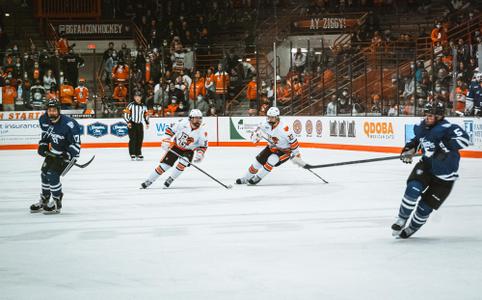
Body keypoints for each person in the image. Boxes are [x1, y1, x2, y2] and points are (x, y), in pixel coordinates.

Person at [391, 101, 470, 239]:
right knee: (412, 188)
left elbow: (464, 140)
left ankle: (412, 228)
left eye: (431, 115)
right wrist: (409, 149)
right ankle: (402, 219)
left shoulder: (448, 128)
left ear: (439, 116)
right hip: (426, 166)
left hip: (445, 176)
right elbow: (417, 141)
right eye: (426, 114)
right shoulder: (421, 127)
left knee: (424, 208)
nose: (427, 117)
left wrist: (444, 148)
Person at [30, 99, 81, 214]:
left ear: (59, 111)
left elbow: (76, 144)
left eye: (54, 110)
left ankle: (57, 202)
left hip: (69, 156)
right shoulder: (44, 119)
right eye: (49, 110)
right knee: (44, 174)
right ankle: (45, 199)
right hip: (53, 152)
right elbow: (46, 135)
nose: (51, 112)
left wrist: (67, 154)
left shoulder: (70, 124)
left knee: (52, 175)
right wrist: (42, 144)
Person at [235, 107, 306, 185]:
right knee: (257, 163)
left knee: (272, 160)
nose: (269, 119)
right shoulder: (264, 124)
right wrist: (256, 137)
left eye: (272, 117)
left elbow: (294, 142)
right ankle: (246, 178)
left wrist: (297, 155)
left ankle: (257, 178)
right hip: (271, 147)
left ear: (277, 117)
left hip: (285, 151)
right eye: (268, 117)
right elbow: (254, 140)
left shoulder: (284, 129)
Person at [141, 109, 208, 189]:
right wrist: (166, 140)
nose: (198, 121)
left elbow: (203, 146)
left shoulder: (202, 131)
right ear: (190, 118)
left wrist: (200, 154)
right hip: (176, 147)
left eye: (200, 118)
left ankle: (171, 179)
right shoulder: (182, 123)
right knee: (164, 166)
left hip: (189, 150)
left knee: (183, 163)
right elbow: (170, 131)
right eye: (196, 118)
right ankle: (149, 180)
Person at [123, 90, 149, 160]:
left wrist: (147, 122)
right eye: (136, 97)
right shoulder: (130, 105)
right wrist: (128, 122)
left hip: (139, 124)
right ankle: (132, 154)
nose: (137, 98)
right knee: (133, 139)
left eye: (139, 97)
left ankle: (138, 153)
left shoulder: (144, 106)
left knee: (140, 139)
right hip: (132, 123)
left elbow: (146, 115)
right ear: (134, 97)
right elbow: (126, 114)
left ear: (141, 98)